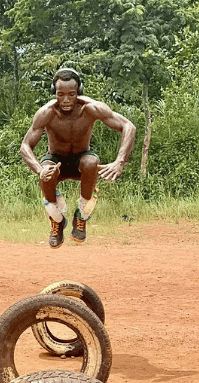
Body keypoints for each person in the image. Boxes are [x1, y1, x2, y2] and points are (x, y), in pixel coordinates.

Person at [20, 68, 136, 248]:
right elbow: (25, 146)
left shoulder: (90, 108)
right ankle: (57, 220)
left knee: (91, 162)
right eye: (60, 94)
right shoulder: (47, 112)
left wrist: (120, 161)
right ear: (54, 93)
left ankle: (81, 217)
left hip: (82, 158)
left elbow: (128, 126)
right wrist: (39, 169)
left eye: (71, 94)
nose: (66, 100)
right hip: (56, 159)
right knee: (47, 172)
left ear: (78, 92)